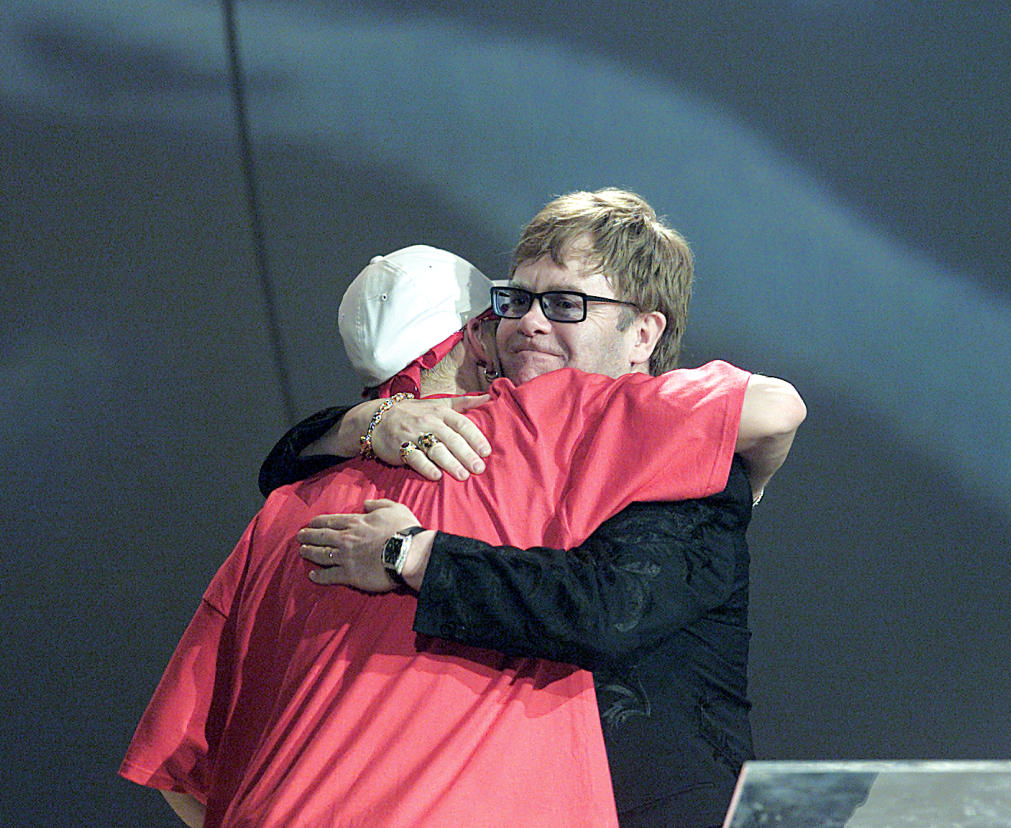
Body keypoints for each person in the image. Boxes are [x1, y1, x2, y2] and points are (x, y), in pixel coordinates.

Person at [121, 243, 793, 827]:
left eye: (557, 306)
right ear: (477, 337)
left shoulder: (279, 512)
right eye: (511, 309)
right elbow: (775, 408)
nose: (526, 328)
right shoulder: (541, 440)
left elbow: (181, 771)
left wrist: (360, 421)